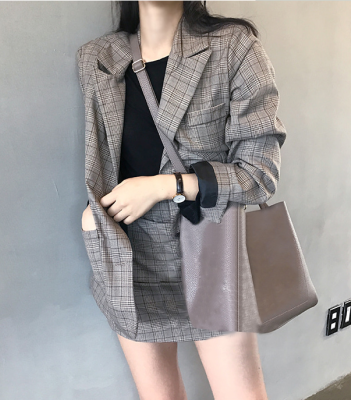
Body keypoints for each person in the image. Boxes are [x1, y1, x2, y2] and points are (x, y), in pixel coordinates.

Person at [78, 1, 286, 399]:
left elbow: (259, 174)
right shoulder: (98, 58)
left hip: (212, 250)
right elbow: (99, 157)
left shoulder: (233, 46)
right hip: (128, 253)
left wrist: (164, 186)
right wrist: (92, 215)